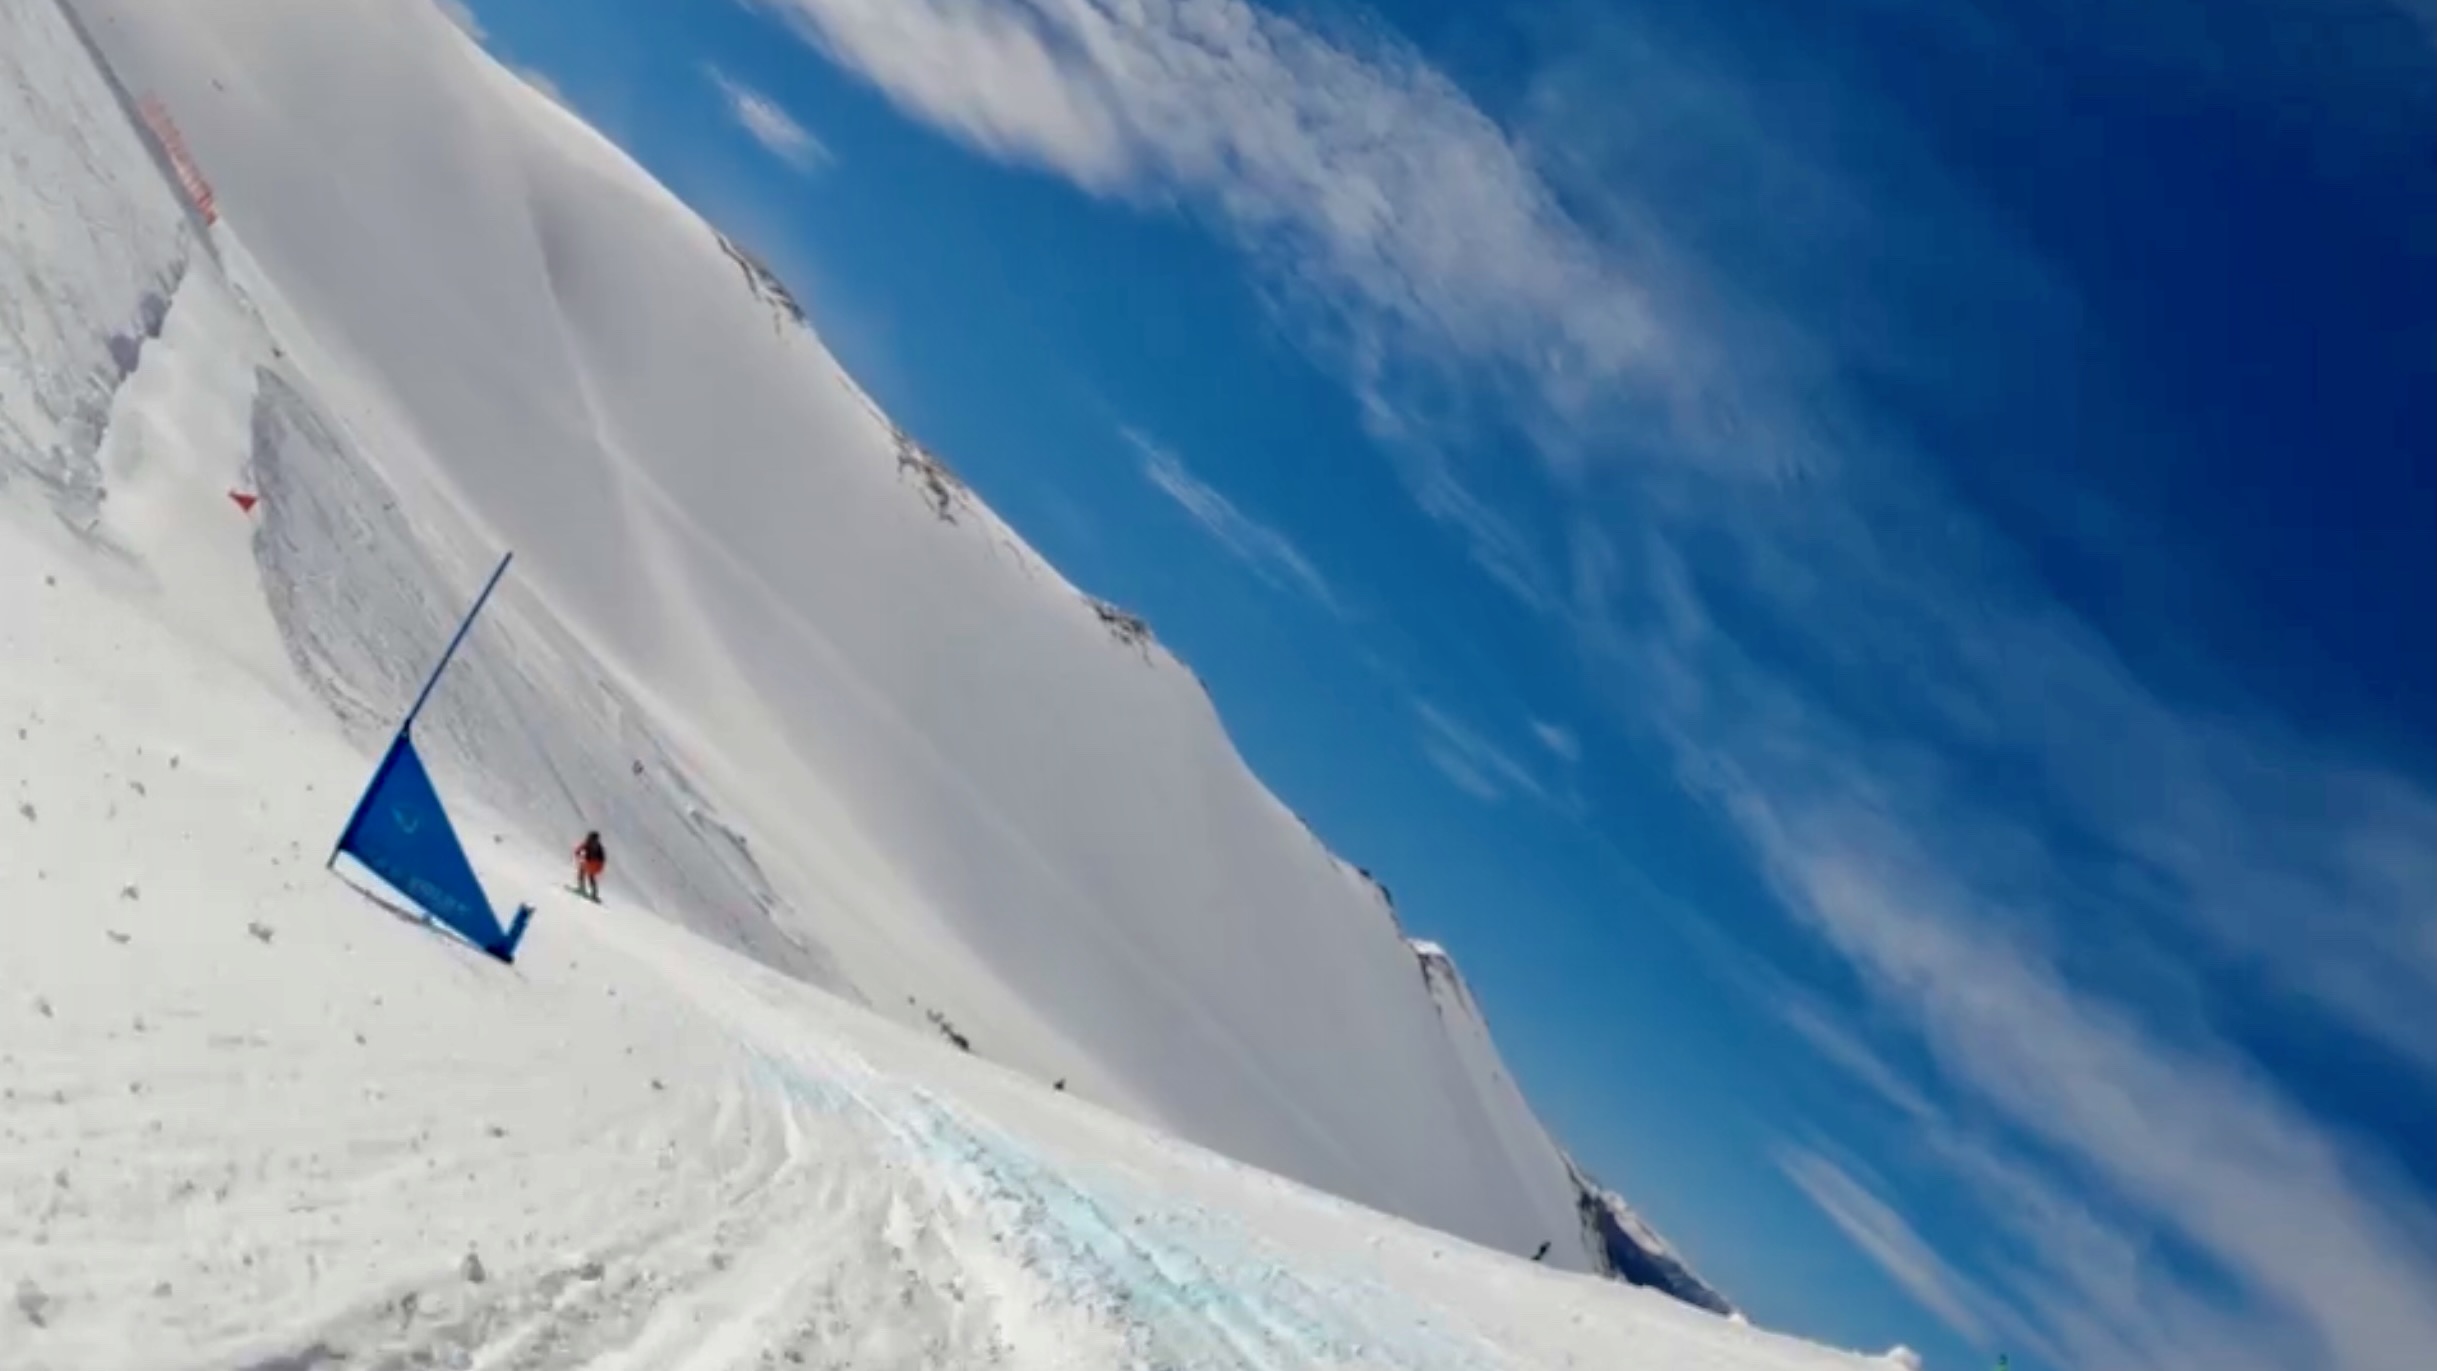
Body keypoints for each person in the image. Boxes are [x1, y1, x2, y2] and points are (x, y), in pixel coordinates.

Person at [573, 830, 606, 901]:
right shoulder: (599, 846)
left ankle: (581, 888)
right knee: (591, 875)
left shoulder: (588, 843)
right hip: (598, 866)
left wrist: (577, 854)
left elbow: (578, 850)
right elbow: (603, 858)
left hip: (591, 864)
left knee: (582, 870)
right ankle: (594, 894)